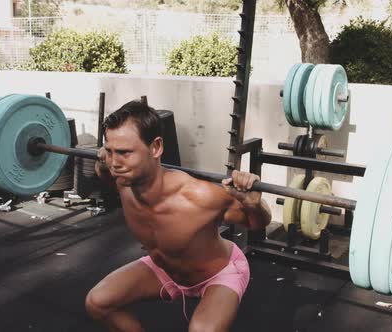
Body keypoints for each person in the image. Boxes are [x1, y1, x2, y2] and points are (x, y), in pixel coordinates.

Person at [85, 100, 272, 332]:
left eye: (124, 153)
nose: (115, 163)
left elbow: (257, 222)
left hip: (218, 273)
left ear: (156, 147)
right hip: (165, 270)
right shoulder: (123, 181)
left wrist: (254, 203)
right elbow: (103, 170)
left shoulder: (199, 196)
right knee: (97, 302)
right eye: (110, 151)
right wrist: (103, 162)